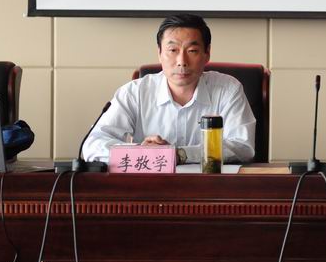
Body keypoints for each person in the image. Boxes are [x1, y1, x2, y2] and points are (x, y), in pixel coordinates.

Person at [82, 14, 255, 164]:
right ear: (159, 53)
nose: (181, 61)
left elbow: (242, 146)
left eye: (192, 50)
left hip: (210, 187)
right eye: (172, 50)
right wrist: (141, 152)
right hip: (150, 187)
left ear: (207, 53)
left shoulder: (228, 90)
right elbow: (93, 144)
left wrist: (179, 154)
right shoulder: (135, 92)